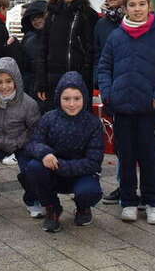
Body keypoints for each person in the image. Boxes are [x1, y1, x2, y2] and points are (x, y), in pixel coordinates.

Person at [98, 0, 155, 225]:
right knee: (126, 157)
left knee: (149, 158)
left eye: (141, 4)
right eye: (131, 5)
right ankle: (128, 200)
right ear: (125, 8)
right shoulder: (116, 37)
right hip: (122, 109)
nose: (137, 9)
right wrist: (109, 93)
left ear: (149, 7)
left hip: (148, 110)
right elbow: (104, 67)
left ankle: (152, 201)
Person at [24, 71, 105, 232]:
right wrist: (45, 153)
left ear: (84, 98)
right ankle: (52, 208)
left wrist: (61, 166)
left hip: (81, 175)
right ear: (58, 98)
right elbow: (33, 142)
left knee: (89, 191)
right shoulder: (48, 118)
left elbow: (94, 161)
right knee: (33, 167)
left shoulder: (93, 123)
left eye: (77, 98)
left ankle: (83, 208)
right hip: (52, 172)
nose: (72, 104)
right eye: (66, 99)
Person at [0, 57, 43, 218]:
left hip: (20, 143)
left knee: (29, 170)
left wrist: (19, 142)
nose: (4, 86)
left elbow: (35, 128)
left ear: (16, 80)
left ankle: (32, 200)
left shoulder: (28, 103)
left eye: (9, 81)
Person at [93, 0, 131, 205]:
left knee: (141, 144)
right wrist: (100, 84)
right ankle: (123, 185)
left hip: (137, 90)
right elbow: (97, 56)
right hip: (113, 90)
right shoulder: (102, 23)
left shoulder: (137, 18)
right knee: (120, 143)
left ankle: (147, 189)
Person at [35, 0, 97, 107]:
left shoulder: (88, 14)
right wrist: (41, 81)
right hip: (54, 81)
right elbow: (43, 50)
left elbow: (91, 50)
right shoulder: (51, 14)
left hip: (79, 81)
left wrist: (87, 78)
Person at [18, 0, 47, 110]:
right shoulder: (28, 40)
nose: (36, 20)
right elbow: (24, 68)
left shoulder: (58, 37)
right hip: (33, 91)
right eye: (33, 18)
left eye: (40, 16)